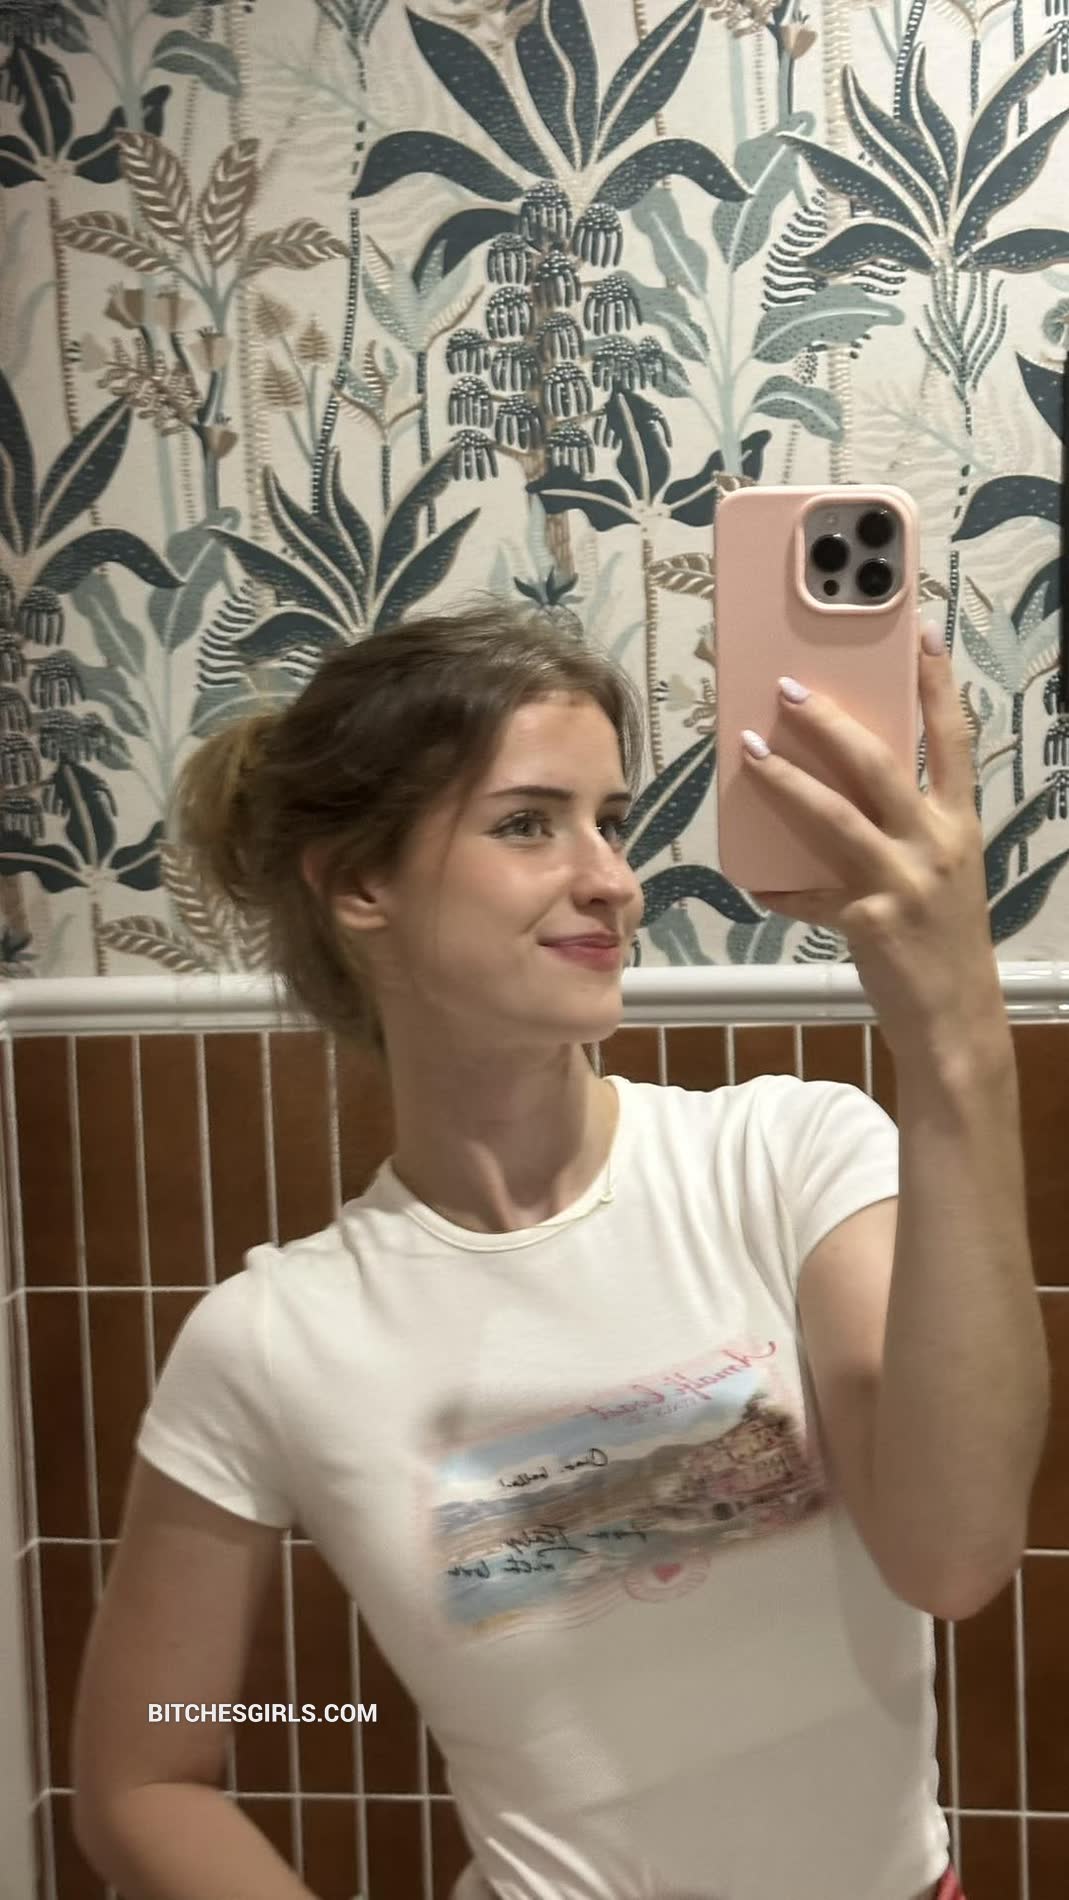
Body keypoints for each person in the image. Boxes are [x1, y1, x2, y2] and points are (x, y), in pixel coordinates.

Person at [69, 598, 1035, 1900]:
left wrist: (955, 1031)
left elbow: (953, 1555)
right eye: (529, 823)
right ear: (358, 883)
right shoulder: (270, 1341)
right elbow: (146, 1770)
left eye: (612, 821)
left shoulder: (789, 1161)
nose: (613, 881)